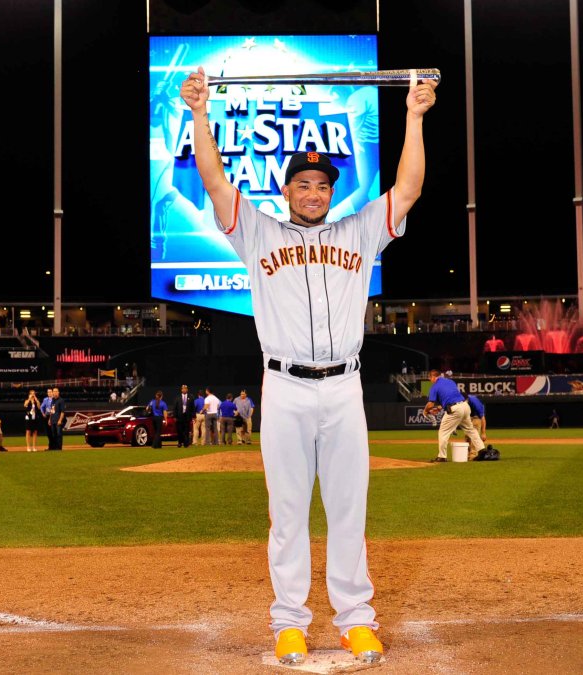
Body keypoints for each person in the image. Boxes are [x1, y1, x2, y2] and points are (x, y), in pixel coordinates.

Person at [180, 64, 436, 665]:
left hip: (343, 388)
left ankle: (356, 620)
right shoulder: (258, 234)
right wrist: (198, 113)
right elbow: (215, 182)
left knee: (349, 511)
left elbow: (409, 190)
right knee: (288, 515)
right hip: (286, 387)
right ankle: (290, 622)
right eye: (304, 184)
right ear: (287, 190)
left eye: (323, 184)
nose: (315, 192)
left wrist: (415, 117)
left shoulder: (359, 231)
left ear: (332, 191)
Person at [422, 370, 486, 463]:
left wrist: (425, 411)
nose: (430, 380)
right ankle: (482, 450)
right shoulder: (450, 381)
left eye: (430, 378)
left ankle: (442, 457)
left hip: (455, 409)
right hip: (465, 406)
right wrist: (440, 407)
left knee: (443, 432)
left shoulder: (434, 387)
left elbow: (430, 404)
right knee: (471, 430)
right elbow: (451, 397)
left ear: (433, 377)